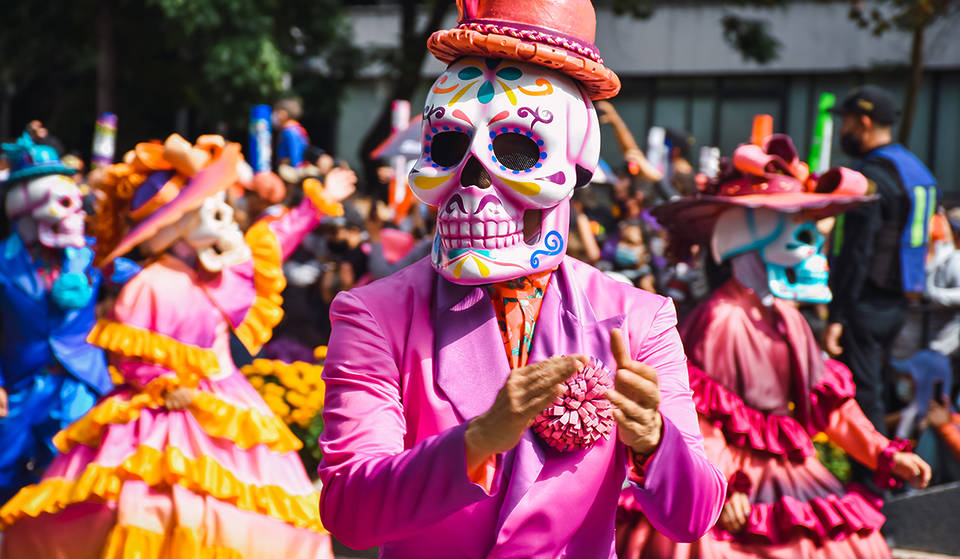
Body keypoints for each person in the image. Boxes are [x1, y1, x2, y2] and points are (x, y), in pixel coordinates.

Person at [317, 1, 726, 557]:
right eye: (448, 148)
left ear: (574, 167)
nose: (473, 181)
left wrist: (655, 441)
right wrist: (479, 440)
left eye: (516, 149)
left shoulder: (637, 319)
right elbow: (350, 512)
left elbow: (693, 515)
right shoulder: (376, 315)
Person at [0, 134, 353, 557]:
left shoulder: (221, 276)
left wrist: (314, 204)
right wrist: (163, 384)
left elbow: (275, 242)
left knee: (252, 519)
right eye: (212, 208)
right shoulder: (149, 285)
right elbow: (130, 354)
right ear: (181, 221)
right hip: (158, 415)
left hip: (226, 408)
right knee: (148, 509)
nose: (228, 218)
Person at [625, 132, 932, 558]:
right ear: (754, 230)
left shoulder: (787, 316)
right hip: (733, 476)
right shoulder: (721, 318)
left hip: (792, 471)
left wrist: (881, 451)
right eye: (798, 228)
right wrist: (719, 483)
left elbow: (827, 400)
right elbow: (698, 414)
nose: (813, 243)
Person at [0, 134, 124, 502]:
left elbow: (143, 275)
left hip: (80, 384)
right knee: (5, 472)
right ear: (27, 204)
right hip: (21, 386)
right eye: (65, 203)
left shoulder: (92, 256)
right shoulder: (3, 264)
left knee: (74, 481)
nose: (76, 213)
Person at [825, 85, 940, 436]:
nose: (843, 131)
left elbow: (856, 252)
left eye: (845, 122)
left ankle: (871, 480)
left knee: (863, 392)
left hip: (865, 302)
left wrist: (838, 315)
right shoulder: (915, 171)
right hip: (900, 302)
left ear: (863, 122)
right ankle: (897, 466)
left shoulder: (872, 178)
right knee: (882, 383)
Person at [273, 98, 310, 168]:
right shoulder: (298, 128)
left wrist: (296, 170)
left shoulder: (289, 131)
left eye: (277, 112)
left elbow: (295, 154)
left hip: (291, 169)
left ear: (283, 114)